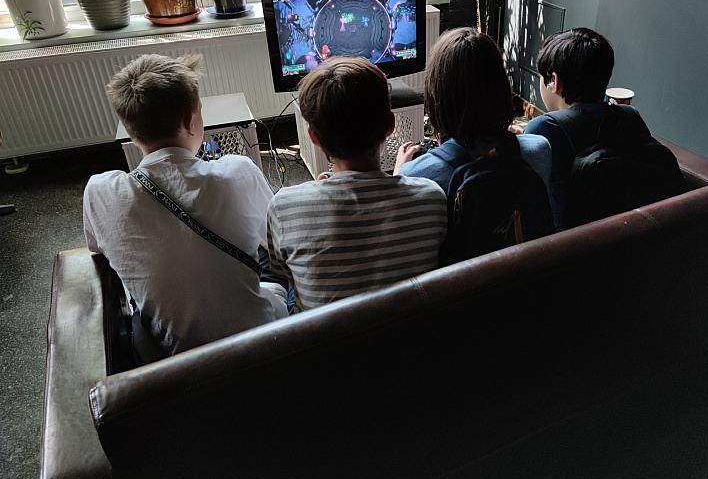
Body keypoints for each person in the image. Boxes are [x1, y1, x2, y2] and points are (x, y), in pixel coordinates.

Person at [83, 54, 288, 363]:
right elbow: (278, 244)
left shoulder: (100, 192)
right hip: (261, 341)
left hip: (176, 363)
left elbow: (97, 248)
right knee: (274, 273)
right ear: (192, 121)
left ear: (129, 128)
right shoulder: (238, 171)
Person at [265, 57, 447, 312]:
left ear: (313, 137)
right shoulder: (432, 198)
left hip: (325, 336)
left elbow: (282, 274)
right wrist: (398, 178)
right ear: (390, 125)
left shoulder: (284, 206)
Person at [395, 28, 555, 262]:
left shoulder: (416, 174)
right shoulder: (540, 148)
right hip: (528, 278)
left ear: (436, 95)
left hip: (464, 285)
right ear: (501, 88)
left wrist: (399, 176)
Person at [524, 27, 684, 229]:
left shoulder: (545, 128)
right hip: (639, 236)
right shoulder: (630, 115)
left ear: (553, 81)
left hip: (574, 242)